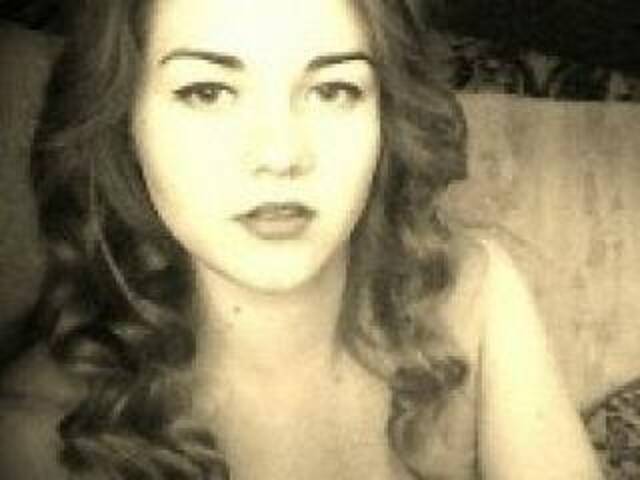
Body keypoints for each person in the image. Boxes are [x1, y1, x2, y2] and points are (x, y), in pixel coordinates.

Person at [0, 0, 603, 479]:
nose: (281, 154)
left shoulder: (471, 295)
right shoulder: (37, 440)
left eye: (333, 90)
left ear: (387, 116)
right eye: (207, 92)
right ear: (122, 124)